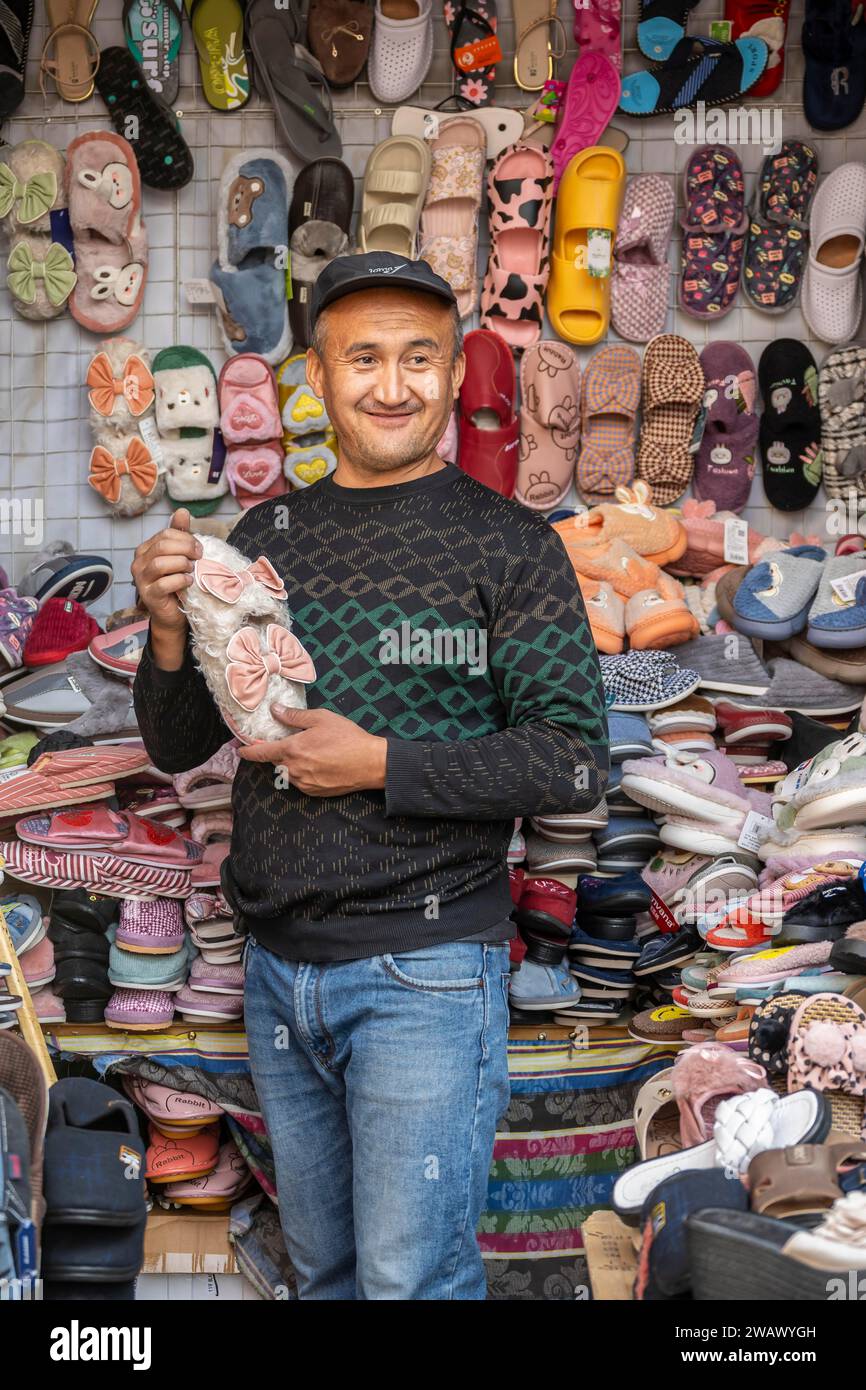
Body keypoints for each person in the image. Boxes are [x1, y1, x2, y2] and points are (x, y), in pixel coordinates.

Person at [132, 252, 608, 1300]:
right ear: (318, 375)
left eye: (417, 358)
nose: (391, 385)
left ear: (451, 374)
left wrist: (382, 764)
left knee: (408, 1281)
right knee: (330, 1273)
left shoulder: (510, 543)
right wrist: (169, 625)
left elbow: (573, 755)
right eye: (363, 359)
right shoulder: (266, 534)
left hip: (424, 975)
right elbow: (176, 744)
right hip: (278, 970)